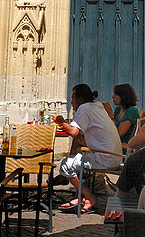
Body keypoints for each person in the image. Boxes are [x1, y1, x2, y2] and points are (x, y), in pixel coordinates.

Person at [54, 82, 123, 213]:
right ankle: (80, 196)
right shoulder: (97, 106)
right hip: (115, 156)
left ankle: (89, 197)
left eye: (72, 99)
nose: (71, 102)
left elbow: (74, 132)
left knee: (65, 165)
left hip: (104, 157)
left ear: (79, 99)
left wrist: (61, 121)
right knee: (77, 158)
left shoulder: (84, 108)